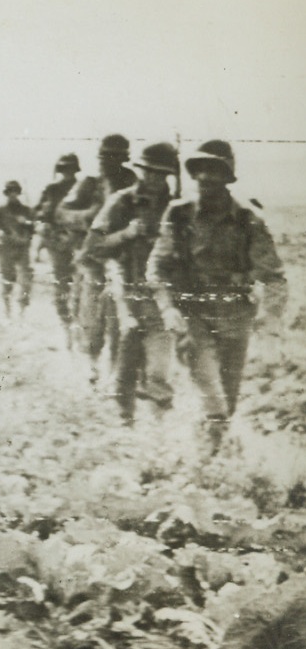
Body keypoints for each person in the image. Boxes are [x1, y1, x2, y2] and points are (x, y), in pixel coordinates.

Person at [147, 139, 288, 455]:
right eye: (200, 171)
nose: (206, 178)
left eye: (215, 171)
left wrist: (272, 325)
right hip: (192, 315)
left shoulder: (247, 218)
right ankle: (210, 464)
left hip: (236, 318)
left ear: (227, 177)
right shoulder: (179, 214)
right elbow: (157, 267)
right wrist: (168, 308)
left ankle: (209, 447)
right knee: (210, 392)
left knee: (228, 397)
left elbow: (275, 277)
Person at [80, 142, 180, 426]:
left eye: (161, 174)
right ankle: (125, 424)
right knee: (124, 360)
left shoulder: (177, 208)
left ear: (169, 176)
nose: (154, 179)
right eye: (148, 172)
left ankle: (158, 431)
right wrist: (126, 234)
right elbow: (94, 247)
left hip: (162, 295)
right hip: (125, 289)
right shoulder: (122, 202)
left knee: (158, 368)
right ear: (140, 171)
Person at [58, 134, 138, 381]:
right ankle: (91, 366)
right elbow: (62, 213)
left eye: (112, 157)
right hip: (92, 258)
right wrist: (90, 216)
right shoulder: (89, 184)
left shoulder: (132, 183)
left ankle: (114, 373)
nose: (106, 161)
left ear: (123, 159)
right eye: (103, 156)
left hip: (124, 258)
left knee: (119, 320)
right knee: (91, 316)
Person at [34, 154, 81, 343]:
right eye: (63, 169)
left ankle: (78, 324)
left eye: (70, 169)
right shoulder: (51, 189)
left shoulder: (84, 188)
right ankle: (66, 327)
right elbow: (40, 213)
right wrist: (44, 226)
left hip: (79, 242)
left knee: (80, 285)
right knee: (61, 284)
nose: (66, 173)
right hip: (58, 243)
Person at [0, 181, 35, 315]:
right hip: (6, 248)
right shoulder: (0, 211)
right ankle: (7, 309)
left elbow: (32, 230)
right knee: (8, 280)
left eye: (15, 191)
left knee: (26, 279)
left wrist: (25, 230)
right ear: (6, 193)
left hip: (22, 248)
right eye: (10, 191)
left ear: (18, 193)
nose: (13, 194)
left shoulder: (26, 211)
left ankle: (22, 310)